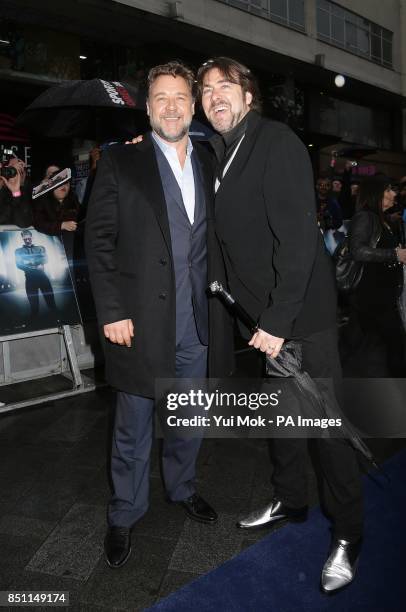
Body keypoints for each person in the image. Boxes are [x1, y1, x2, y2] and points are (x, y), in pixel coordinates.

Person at [197, 57, 364, 594]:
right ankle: (291, 501)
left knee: (326, 430)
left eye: (227, 85)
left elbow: (297, 241)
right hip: (265, 323)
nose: (214, 96)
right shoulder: (221, 156)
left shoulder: (277, 142)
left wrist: (275, 320)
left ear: (249, 96)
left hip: (300, 320)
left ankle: (349, 532)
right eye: (206, 90)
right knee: (283, 423)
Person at [85, 61, 233, 569]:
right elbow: (98, 241)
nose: (171, 107)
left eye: (179, 98)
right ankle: (125, 512)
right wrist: (111, 310)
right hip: (138, 322)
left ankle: (183, 487)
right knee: (133, 426)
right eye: (160, 98)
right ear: (147, 108)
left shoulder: (212, 160)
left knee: (190, 416)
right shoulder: (120, 162)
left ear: (192, 106)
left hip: (198, 319)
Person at [346, 176, 406, 376]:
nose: (394, 194)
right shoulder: (365, 217)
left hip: (382, 292)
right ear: (375, 193)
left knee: (376, 342)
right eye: (388, 190)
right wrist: (395, 254)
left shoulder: (382, 219)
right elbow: (357, 251)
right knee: (391, 341)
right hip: (372, 294)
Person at [15, 228, 57, 318]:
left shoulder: (41, 248)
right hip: (30, 279)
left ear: (32, 237)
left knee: (50, 300)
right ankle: (35, 321)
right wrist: (36, 265)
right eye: (25, 239)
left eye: (28, 238)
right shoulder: (18, 251)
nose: (27, 240)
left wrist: (29, 263)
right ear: (22, 238)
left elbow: (45, 259)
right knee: (33, 303)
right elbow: (19, 264)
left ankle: (56, 316)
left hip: (42, 277)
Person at [33, 168, 80, 236]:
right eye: (60, 183)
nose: (64, 186)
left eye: (66, 183)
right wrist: (62, 225)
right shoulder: (43, 201)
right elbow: (39, 223)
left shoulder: (73, 200)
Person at [0, 156, 33, 227]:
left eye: (19, 169)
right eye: (11, 168)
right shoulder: (2, 190)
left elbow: (24, 223)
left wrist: (16, 193)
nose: (14, 172)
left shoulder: (29, 191)